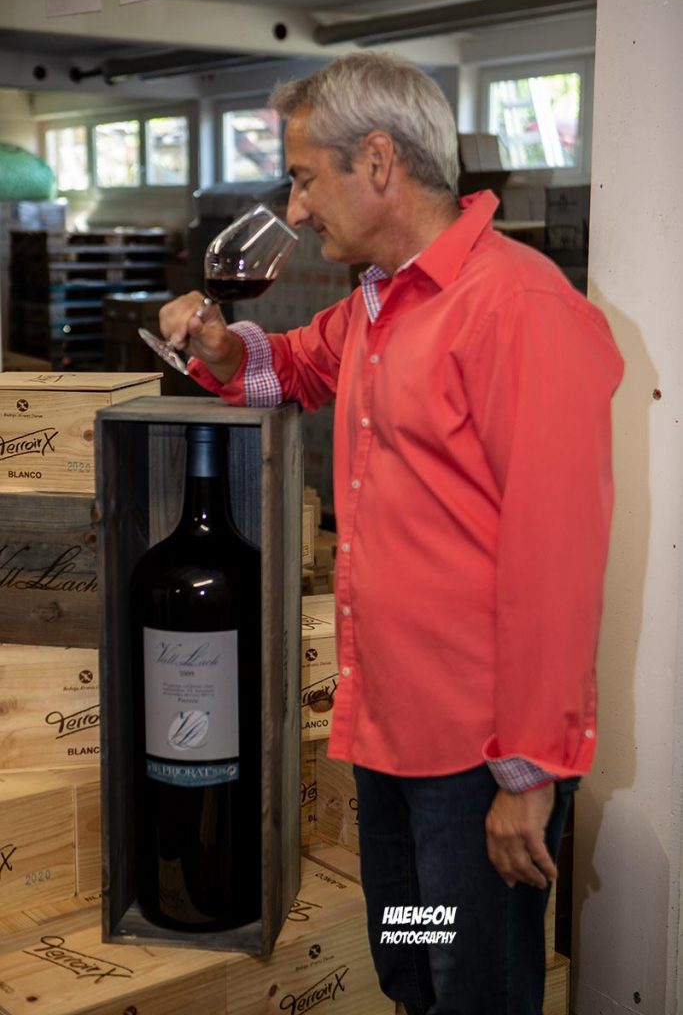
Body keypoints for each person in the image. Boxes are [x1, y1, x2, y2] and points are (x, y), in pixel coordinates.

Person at [158, 51, 623, 1015]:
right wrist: (219, 348)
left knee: (476, 989)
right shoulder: (381, 300)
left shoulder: (517, 307)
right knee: (412, 963)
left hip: (477, 761)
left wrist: (527, 774)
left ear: (377, 161)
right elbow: (292, 366)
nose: (294, 210)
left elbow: (555, 557)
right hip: (389, 738)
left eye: (302, 178)